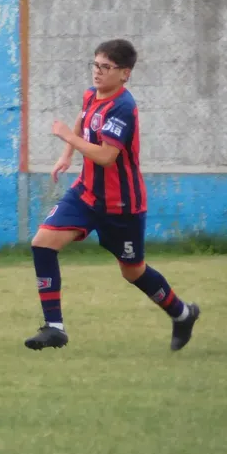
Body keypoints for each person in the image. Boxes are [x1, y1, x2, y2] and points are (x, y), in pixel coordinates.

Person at [26, 38, 200, 352]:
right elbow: (82, 120)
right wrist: (67, 153)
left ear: (124, 74)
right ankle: (55, 328)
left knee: (133, 271)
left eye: (106, 67)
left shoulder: (123, 107)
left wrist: (66, 136)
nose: (98, 72)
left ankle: (183, 314)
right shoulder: (92, 94)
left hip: (122, 205)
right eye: (95, 65)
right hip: (86, 193)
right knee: (42, 244)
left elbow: (107, 156)